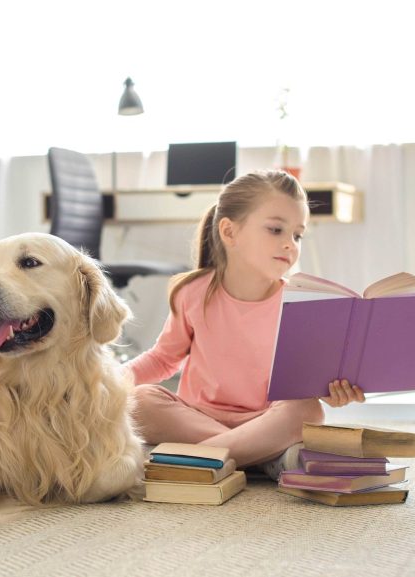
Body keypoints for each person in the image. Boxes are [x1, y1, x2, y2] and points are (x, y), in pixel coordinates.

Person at [125, 169, 364, 480]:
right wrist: (112, 380)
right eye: (276, 229)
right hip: (198, 416)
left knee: (306, 411)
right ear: (229, 232)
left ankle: (199, 457)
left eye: (297, 234)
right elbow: (162, 359)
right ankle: (260, 459)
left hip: (267, 419)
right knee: (140, 401)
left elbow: (308, 381)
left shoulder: (297, 303)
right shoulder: (192, 292)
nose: (290, 244)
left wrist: (332, 390)